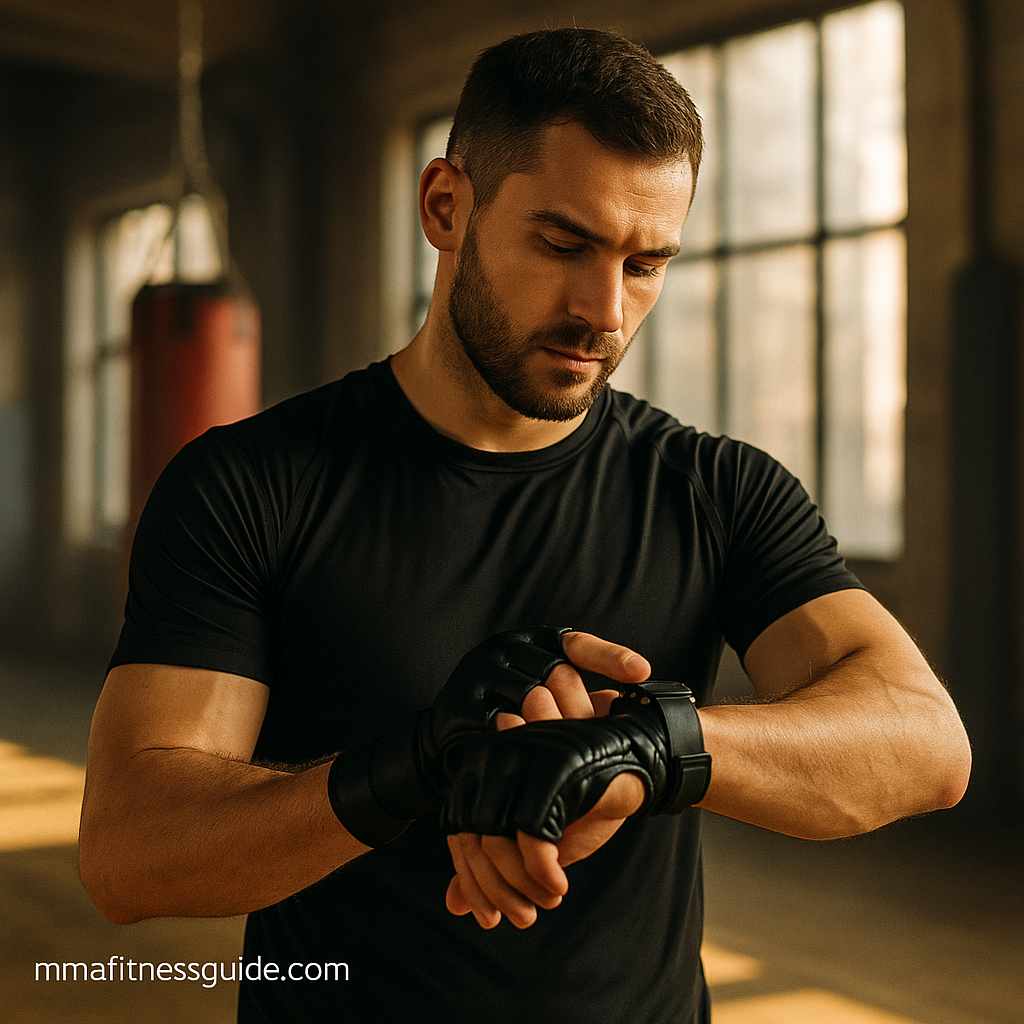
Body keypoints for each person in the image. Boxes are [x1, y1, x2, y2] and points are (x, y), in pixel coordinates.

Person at [78, 26, 971, 1024]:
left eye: (646, 262)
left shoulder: (715, 489)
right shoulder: (251, 486)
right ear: (445, 206)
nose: (606, 310)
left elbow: (924, 743)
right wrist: (414, 764)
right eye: (564, 244)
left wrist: (646, 748)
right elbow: (129, 853)